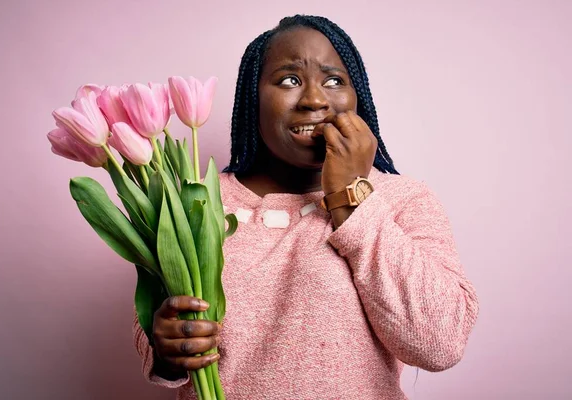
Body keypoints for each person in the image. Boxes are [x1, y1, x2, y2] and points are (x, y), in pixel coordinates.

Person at [133, 14, 479, 399]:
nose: (315, 99)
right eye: (289, 80)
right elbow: (158, 332)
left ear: (357, 97)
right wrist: (164, 347)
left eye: (334, 81)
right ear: (252, 99)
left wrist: (351, 193)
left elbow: (440, 343)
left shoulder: (403, 200)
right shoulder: (196, 203)